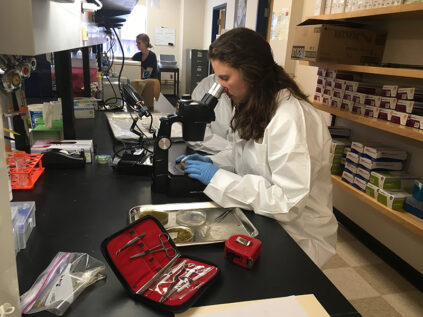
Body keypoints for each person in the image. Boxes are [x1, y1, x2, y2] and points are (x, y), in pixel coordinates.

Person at [176, 28, 338, 268]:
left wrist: (218, 179)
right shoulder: (255, 103)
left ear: (251, 72)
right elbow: (245, 153)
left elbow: (287, 202)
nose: (219, 87)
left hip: (297, 237)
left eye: (225, 78)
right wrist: (215, 162)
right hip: (264, 218)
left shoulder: (291, 118)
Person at [187, 74, 233, 154]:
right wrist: (230, 148)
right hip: (216, 153)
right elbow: (197, 134)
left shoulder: (253, 95)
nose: (223, 86)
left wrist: (233, 150)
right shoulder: (206, 85)